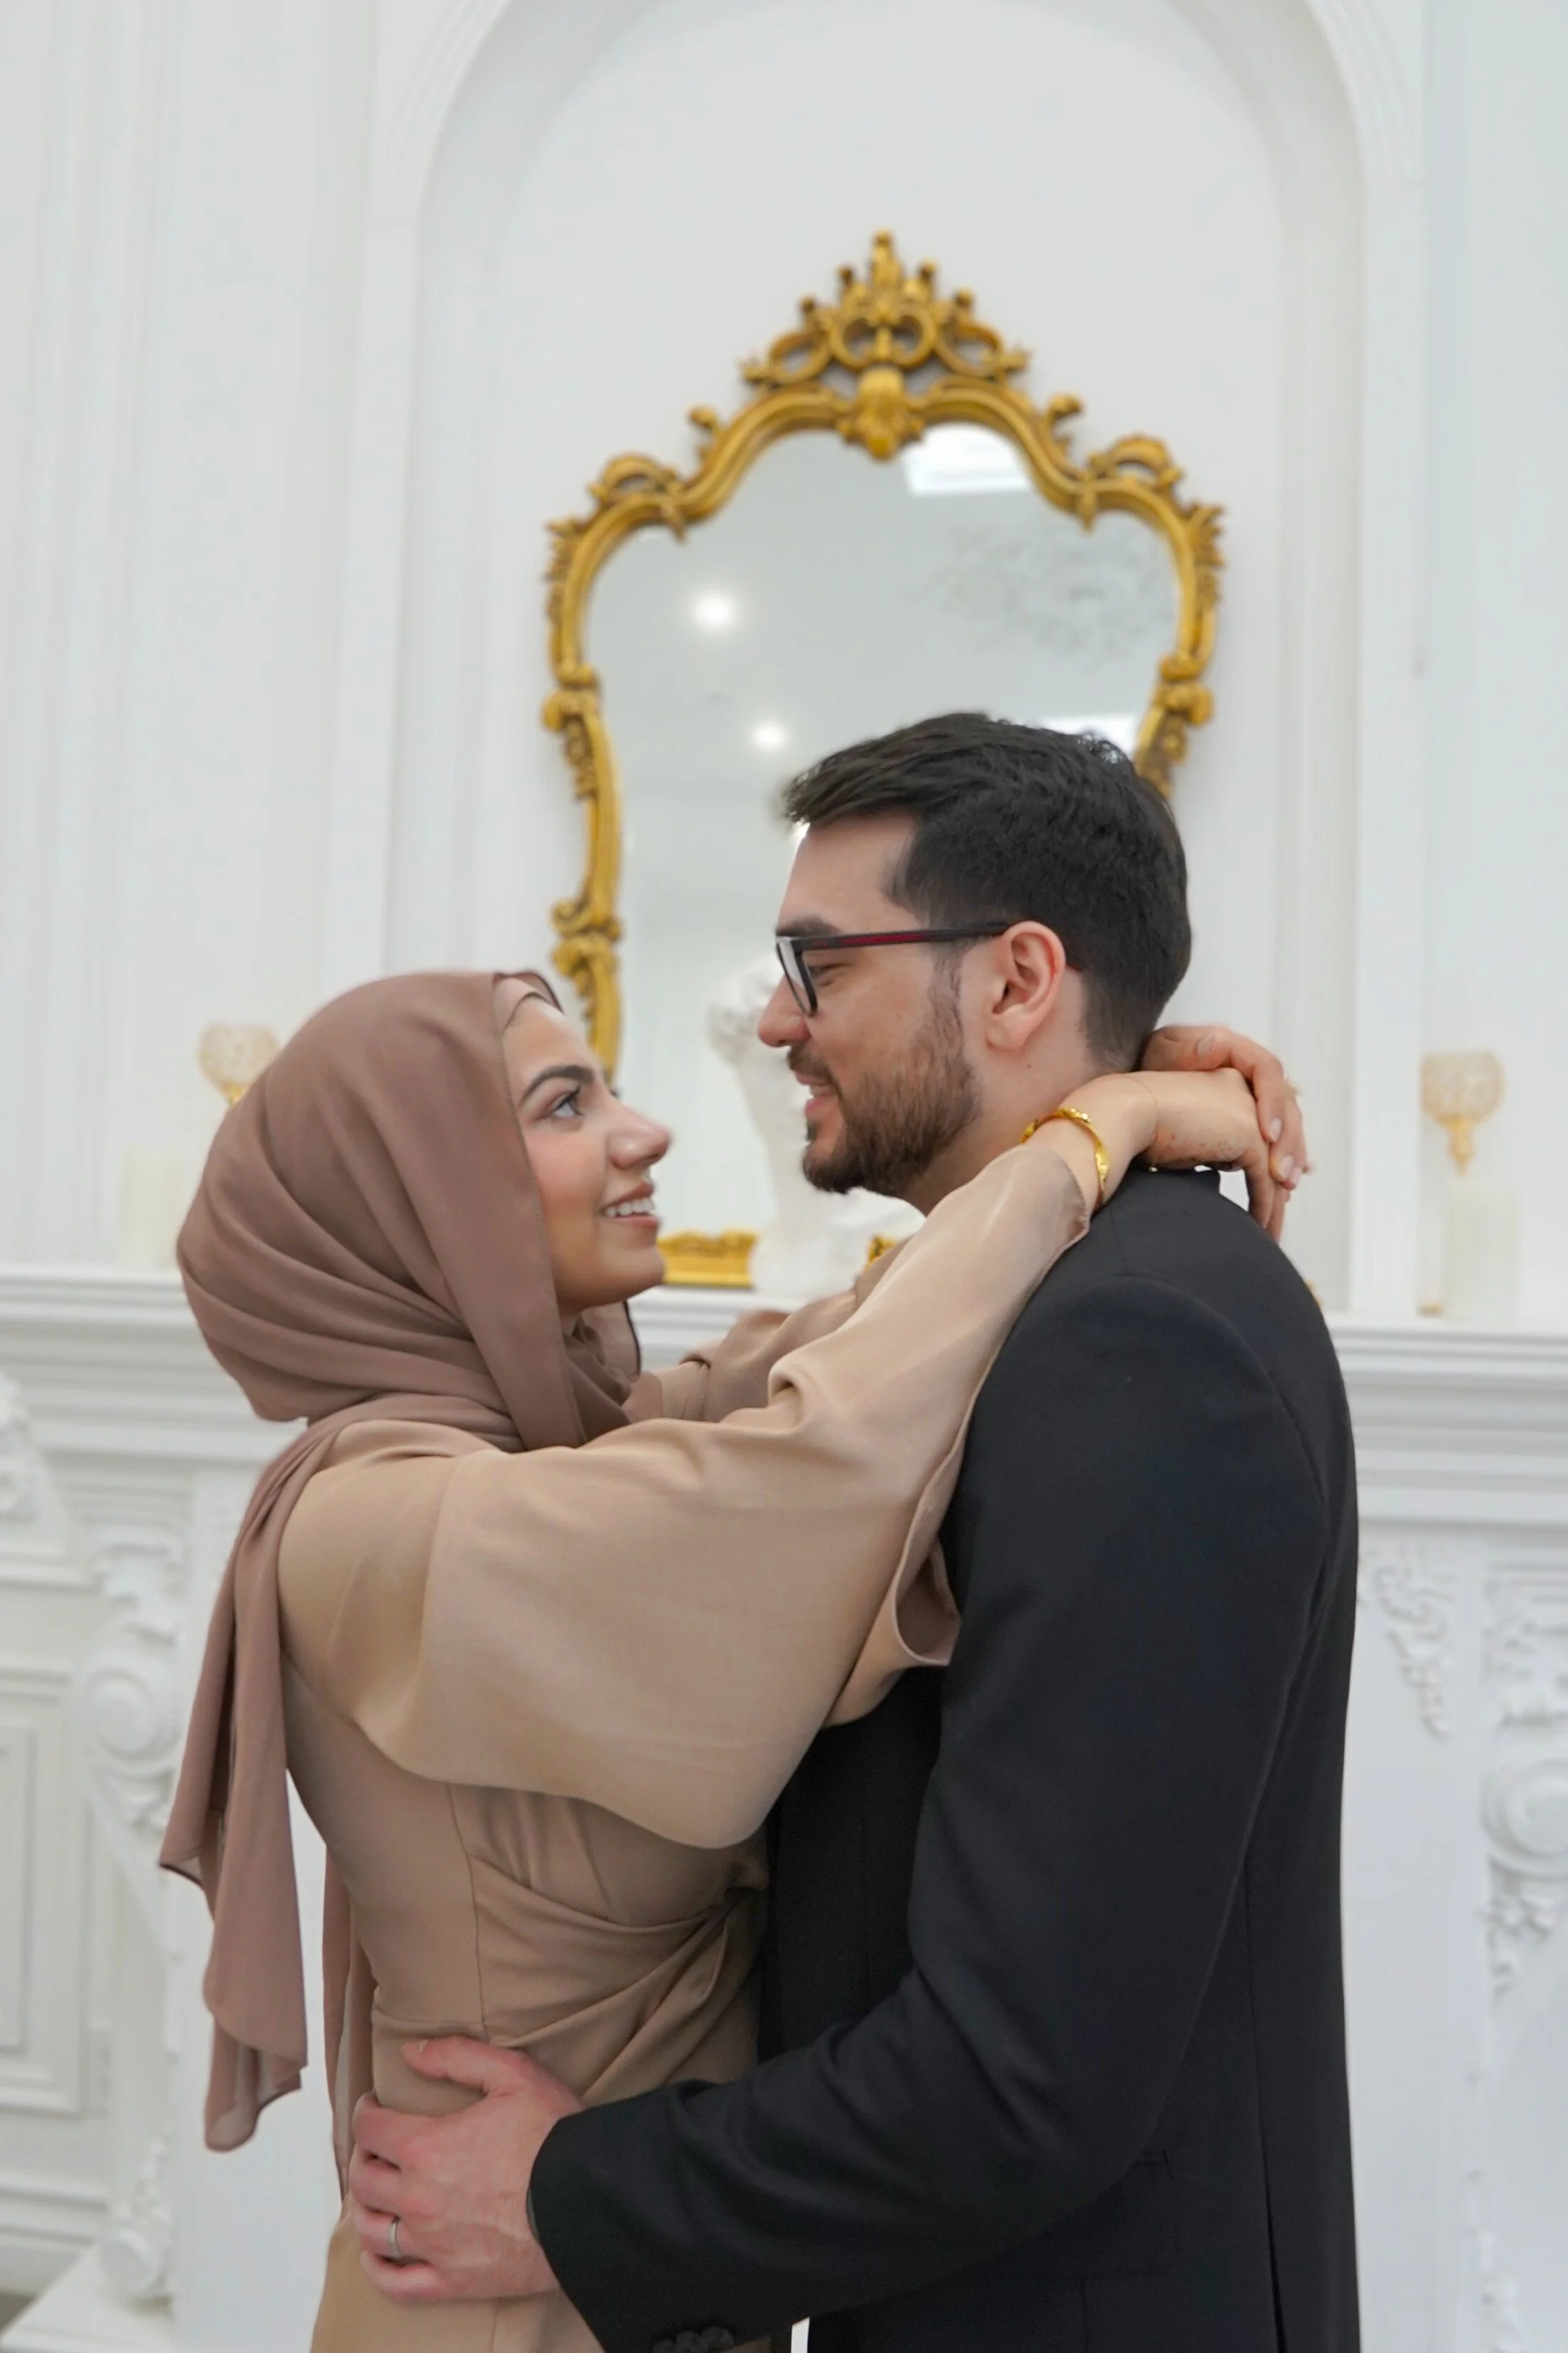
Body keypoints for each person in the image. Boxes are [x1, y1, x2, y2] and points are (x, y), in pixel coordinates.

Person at [347, 717, 1358, 2353]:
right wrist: (1124, 1089)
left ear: (1017, 983)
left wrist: (566, 2190)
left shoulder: (1137, 1345)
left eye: (815, 964)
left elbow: (1019, 2071)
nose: (774, 1020)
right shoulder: (1037, 1299)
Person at [161, 933, 1291, 2353]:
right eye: (564, 1106)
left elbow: (862, 1333)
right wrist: (1094, 1132)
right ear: (417, 1199)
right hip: (501, 2297)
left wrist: (1104, 1074)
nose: (648, 1129)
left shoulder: (556, 1453)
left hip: (614, 2257)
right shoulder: (381, 1524)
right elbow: (823, 1450)